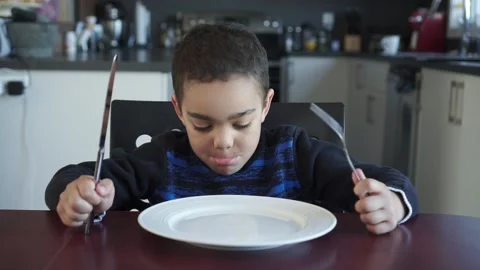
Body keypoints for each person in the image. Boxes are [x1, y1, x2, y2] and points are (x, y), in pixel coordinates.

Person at [45, 23, 418, 235]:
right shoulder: (164, 157)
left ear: (266, 105)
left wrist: (392, 202)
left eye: (241, 122)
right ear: (178, 109)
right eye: (201, 124)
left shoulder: (295, 152)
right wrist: (79, 195)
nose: (223, 142)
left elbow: (387, 180)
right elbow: (70, 178)